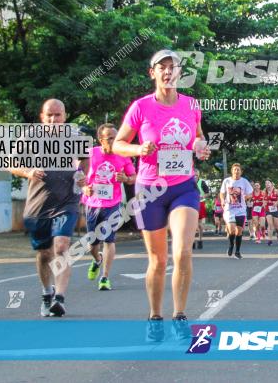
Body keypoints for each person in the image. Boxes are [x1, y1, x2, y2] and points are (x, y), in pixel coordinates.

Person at [113, 50, 211, 342]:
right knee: (158, 260)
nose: (168, 72)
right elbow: (118, 144)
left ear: (180, 72)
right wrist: (138, 150)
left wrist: (200, 147)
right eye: (162, 67)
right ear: (152, 72)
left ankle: (179, 315)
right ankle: (155, 315)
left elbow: (198, 135)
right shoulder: (140, 107)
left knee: (182, 251)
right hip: (150, 189)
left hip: (183, 186)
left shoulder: (191, 104)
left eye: (173, 67)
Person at [9, 98, 88, 317]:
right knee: (44, 254)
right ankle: (47, 292)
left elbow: (85, 160)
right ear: (42, 117)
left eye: (58, 115)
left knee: (62, 246)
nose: (54, 120)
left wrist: (84, 177)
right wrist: (29, 172)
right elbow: (11, 164)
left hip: (67, 202)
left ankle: (60, 299)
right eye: (49, 115)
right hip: (38, 205)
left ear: (65, 116)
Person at [82, 123, 137, 292]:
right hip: (92, 203)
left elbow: (134, 177)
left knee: (109, 239)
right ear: (101, 140)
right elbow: (78, 175)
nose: (114, 141)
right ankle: (97, 260)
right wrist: (84, 187)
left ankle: (105, 277)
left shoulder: (123, 155)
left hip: (113, 203)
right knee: (92, 243)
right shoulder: (90, 154)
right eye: (110, 138)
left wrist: (125, 179)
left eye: (116, 137)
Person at [221, 163, 252, 258]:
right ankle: (231, 245)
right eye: (235, 169)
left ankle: (237, 251)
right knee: (231, 229)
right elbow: (222, 193)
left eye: (238, 170)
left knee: (239, 231)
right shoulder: (227, 181)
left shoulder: (244, 182)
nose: (236, 171)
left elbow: (250, 193)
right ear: (232, 171)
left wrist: (247, 196)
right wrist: (222, 200)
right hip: (229, 209)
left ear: (241, 172)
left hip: (241, 210)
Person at [194, 170, 211, 250]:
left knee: (200, 225)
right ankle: (192, 241)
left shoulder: (202, 182)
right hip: (191, 204)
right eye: (194, 175)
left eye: (196, 175)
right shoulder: (189, 182)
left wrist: (203, 196)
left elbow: (208, 193)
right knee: (192, 224)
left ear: (199, 175)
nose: (195, 176)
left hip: (200, 204)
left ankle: (200, 240)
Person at [265, 180, 278, 245]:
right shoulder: (264, 191)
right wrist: (264, 202)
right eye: (266, 183)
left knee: (276, 226)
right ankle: (270, 240)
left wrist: (277, 202)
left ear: (271, 184)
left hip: (275, 210)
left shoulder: (276, 191)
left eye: (268, 183)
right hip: (268, 209)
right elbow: (263, 199)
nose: (267, 184)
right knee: (270, 224)